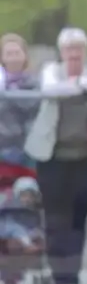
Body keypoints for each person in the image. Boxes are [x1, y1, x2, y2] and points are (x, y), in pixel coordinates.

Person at [24, 27, 87, 284]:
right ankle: (57, 275)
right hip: (52, 159)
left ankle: (72, 276)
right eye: (69, 49)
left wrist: (79, 85)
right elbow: (51, 88)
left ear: (85, 52)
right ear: (61, 52)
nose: (74, 55)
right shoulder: (51, 70)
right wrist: (79, 87)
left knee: (78, 217)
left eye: (78, 49)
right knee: (55, 218)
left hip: (85, 158)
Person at [0, 33, 39, 181]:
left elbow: (32, 106)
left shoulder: (35, 82)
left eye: (17, 53)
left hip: (27, 147)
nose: (14, 57)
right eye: (9, 53)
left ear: (24, 55)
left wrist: (10, 92)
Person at [0, 176, 44, 284]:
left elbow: (35, 226)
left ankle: (15, 277)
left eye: (31, 196)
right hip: (6, 233)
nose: (27, 199)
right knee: (16, 229)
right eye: (24, 195)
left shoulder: (34, 211)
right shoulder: (8, 204)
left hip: (22, 241)